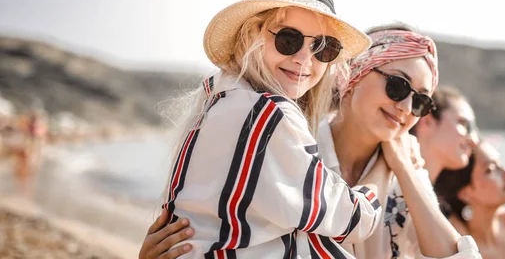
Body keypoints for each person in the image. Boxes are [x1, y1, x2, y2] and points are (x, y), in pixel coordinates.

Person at [140, 22, 482, 259]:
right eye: (398, 86)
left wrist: (402, 168)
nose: (406, 107)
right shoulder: (286, 143)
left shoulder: (409, 169)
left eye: (421, 101)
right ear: (357, 74)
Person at [153, 0, 392, 258]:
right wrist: (384, 166)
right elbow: (353, 219)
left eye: (323, 47)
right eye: (288, 39)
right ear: (249, 36)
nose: (305, 59)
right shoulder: (268, 114)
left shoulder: (219, 102)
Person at [410, 85, 479, 184]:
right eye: (463, 124)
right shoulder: (386, 188)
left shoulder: (426, 195)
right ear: (427, 121)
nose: (474, 141)